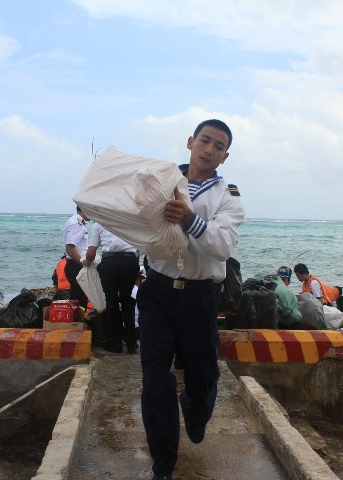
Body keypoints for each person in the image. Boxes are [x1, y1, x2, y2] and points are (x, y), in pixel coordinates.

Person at [137, 119, 245, 480]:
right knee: (155, 381)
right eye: (204, 140)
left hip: (200, 297)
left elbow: (223, 246)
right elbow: (138, 218)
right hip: (157, 291)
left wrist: (189, 219)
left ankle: (195, 410)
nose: (209, 149)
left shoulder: (228, 196)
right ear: (190, 142)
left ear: (224, 155)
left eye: (218, 145)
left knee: (202, 376)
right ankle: (163, 464)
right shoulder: (164, 181)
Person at [83, 222, 140, 353]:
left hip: (110, 263)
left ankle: (115, 344)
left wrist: (87, 262)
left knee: (112, 302)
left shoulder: (99, 223)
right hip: (130, 263)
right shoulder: (130, 219)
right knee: (127, 301)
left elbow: (91, 253)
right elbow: (139, 248)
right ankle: (131, 343)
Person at [62, 205, 89, 308]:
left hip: (74, 264)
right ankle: (78, 323)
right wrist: (83, 263)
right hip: (76, 265)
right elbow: (70, 248)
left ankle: (78, 322)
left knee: (78, 298)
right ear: (84, 209)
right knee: (80, 300)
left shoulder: (76, 221)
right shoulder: (77, 223)